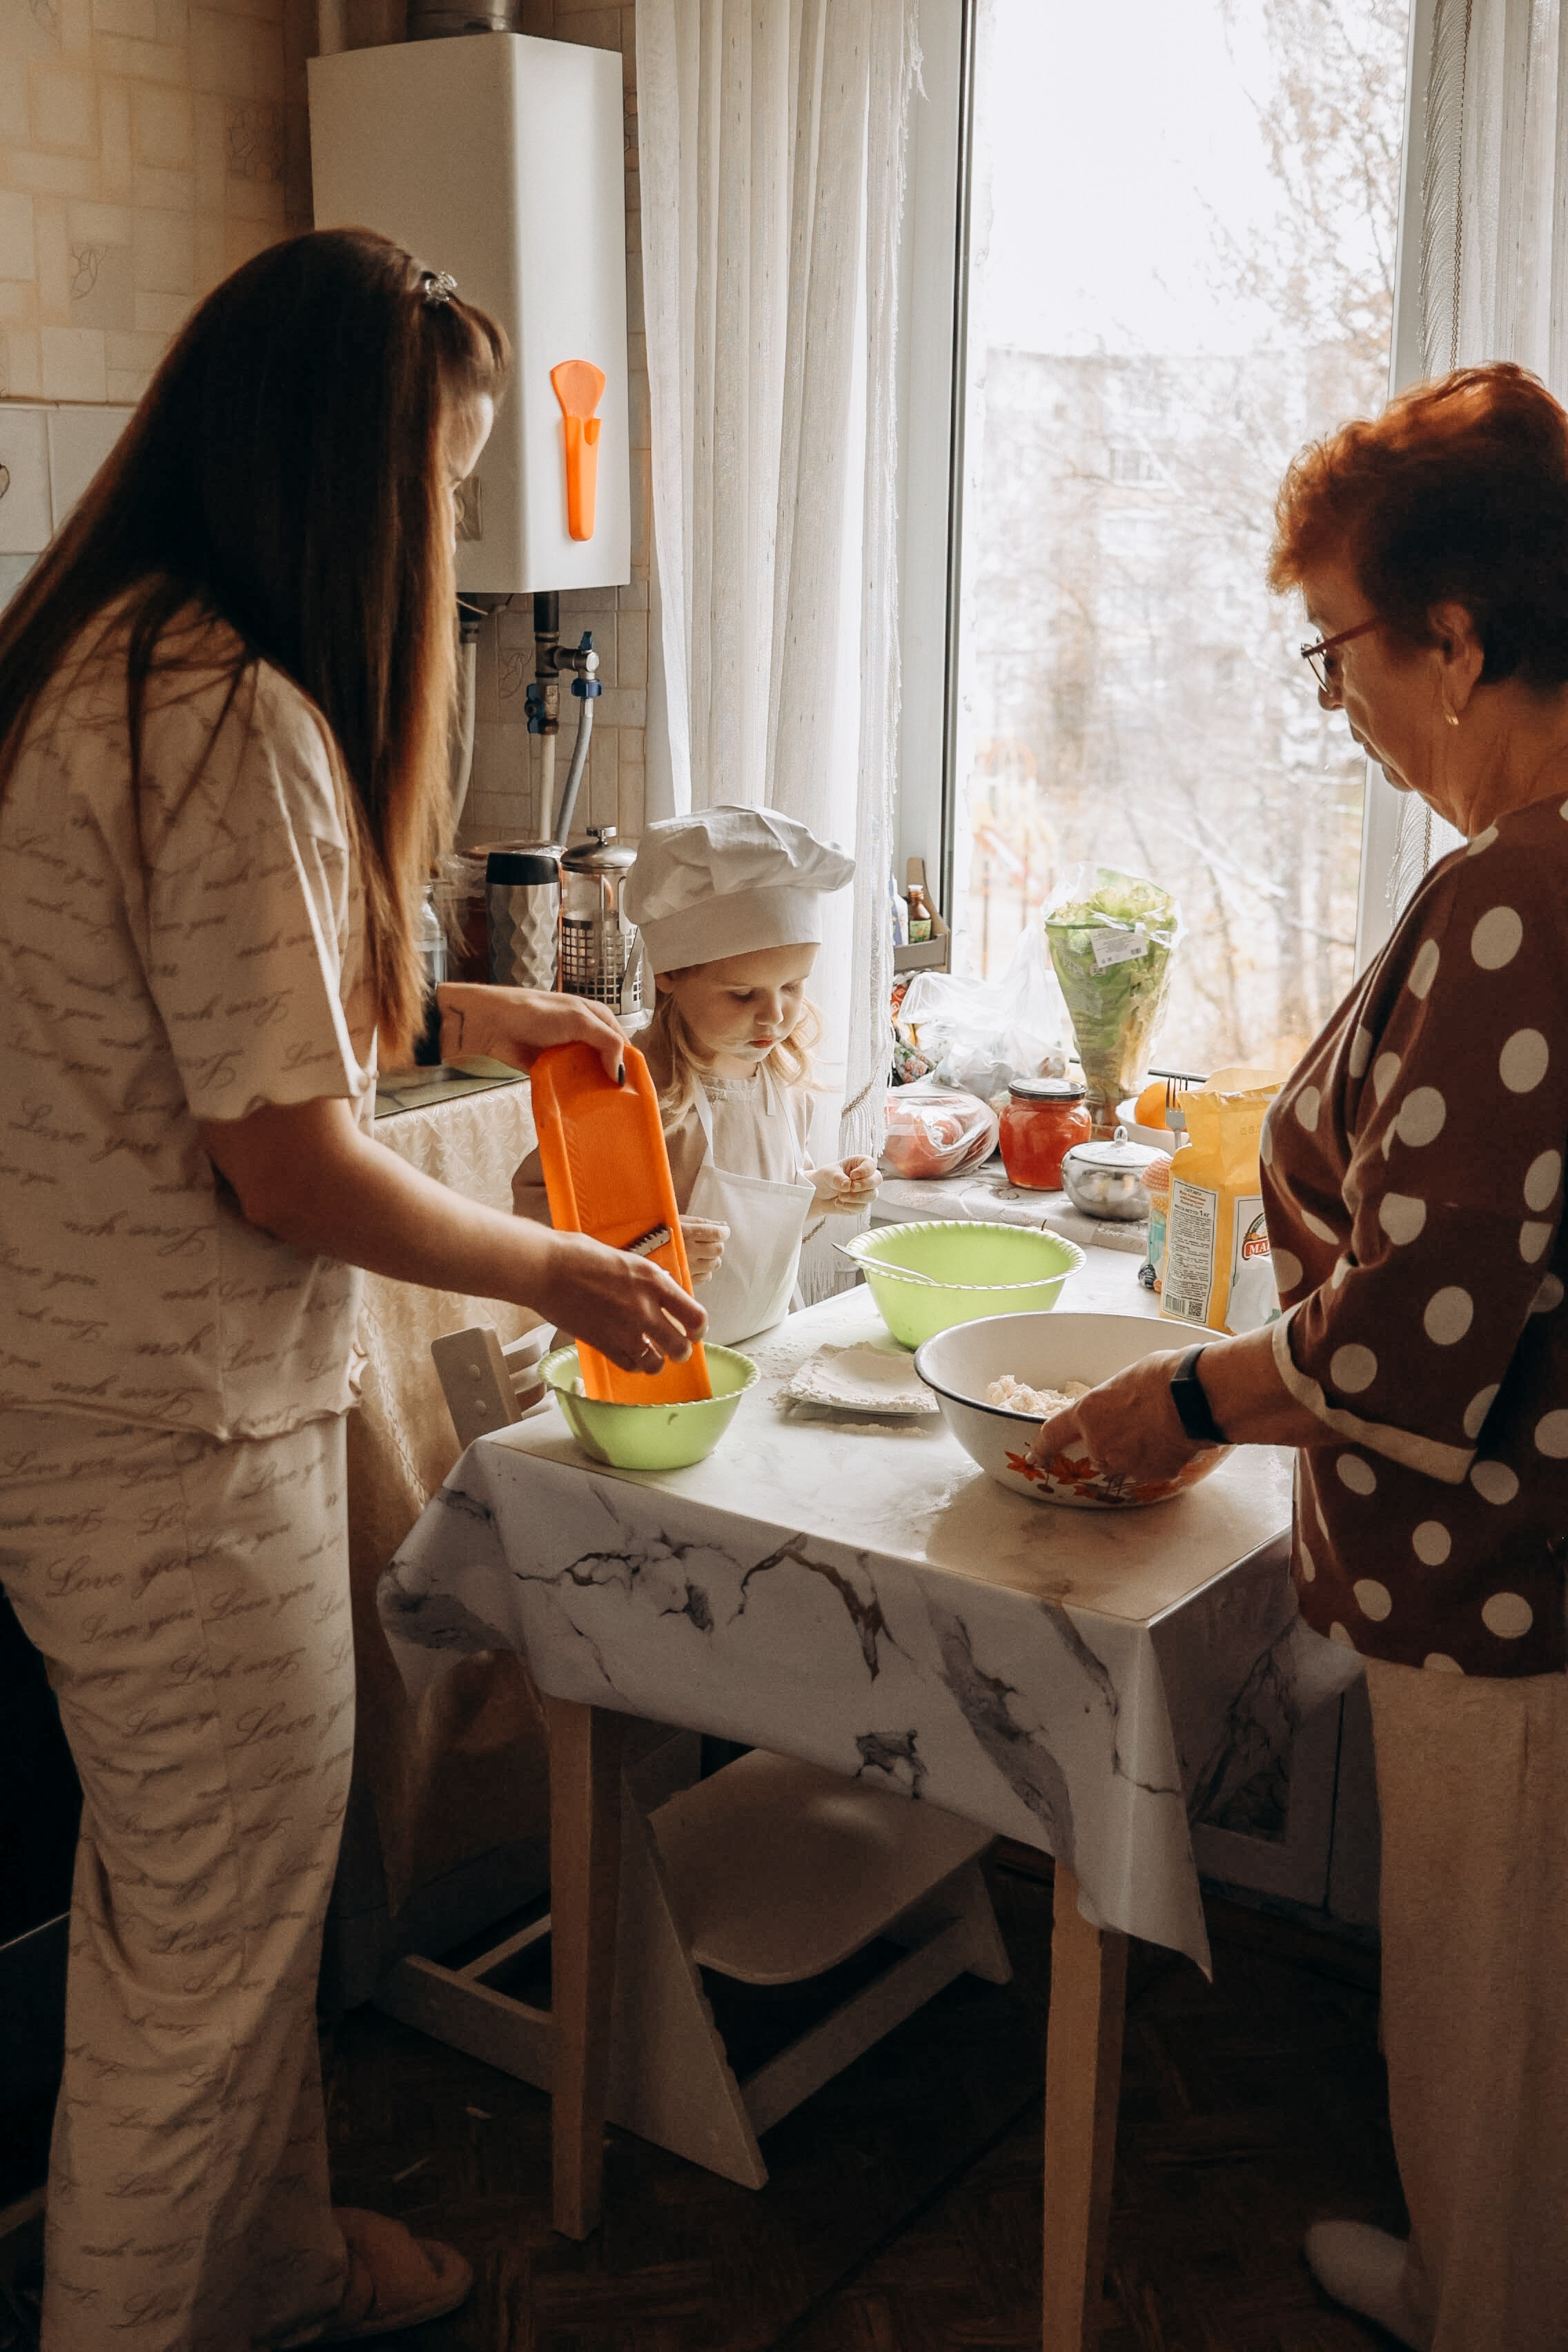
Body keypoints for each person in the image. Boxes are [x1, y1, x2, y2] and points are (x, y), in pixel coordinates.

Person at [0, 228, 703, 2352]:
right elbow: (286, 1159)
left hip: (93, 1418)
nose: (456, 522)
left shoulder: (111, 657)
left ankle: (283, 2272)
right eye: (450, 477)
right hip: (171, 1447)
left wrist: (483, 1010)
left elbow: (229, 1014)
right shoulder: (234, 715)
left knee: (199, 1920)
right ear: (349, 473)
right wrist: (572, 1267)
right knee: (206, 1976)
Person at [1026, 361, 1568, 2352]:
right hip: (1530, 1562)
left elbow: (1422, 1338)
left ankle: (1481, 2302)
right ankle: (1463, 2276)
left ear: (1457, 633)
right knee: (1506, 2028)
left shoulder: (1527, 895)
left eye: (1337, 647)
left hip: (1504, 1586)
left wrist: (1183, 1402)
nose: (1333, 697)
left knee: (1493, 2039)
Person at [513, 805, 881, 1345]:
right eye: (742, 994)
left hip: (755, 1351)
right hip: (639, 1368)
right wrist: (645, 1244)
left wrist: (815, 1194)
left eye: (794, 987)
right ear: (669, 976)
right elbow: (538, 1220)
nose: (774, 1016)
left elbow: (755, 1232)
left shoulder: (779, 1085)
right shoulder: (623, 1089)